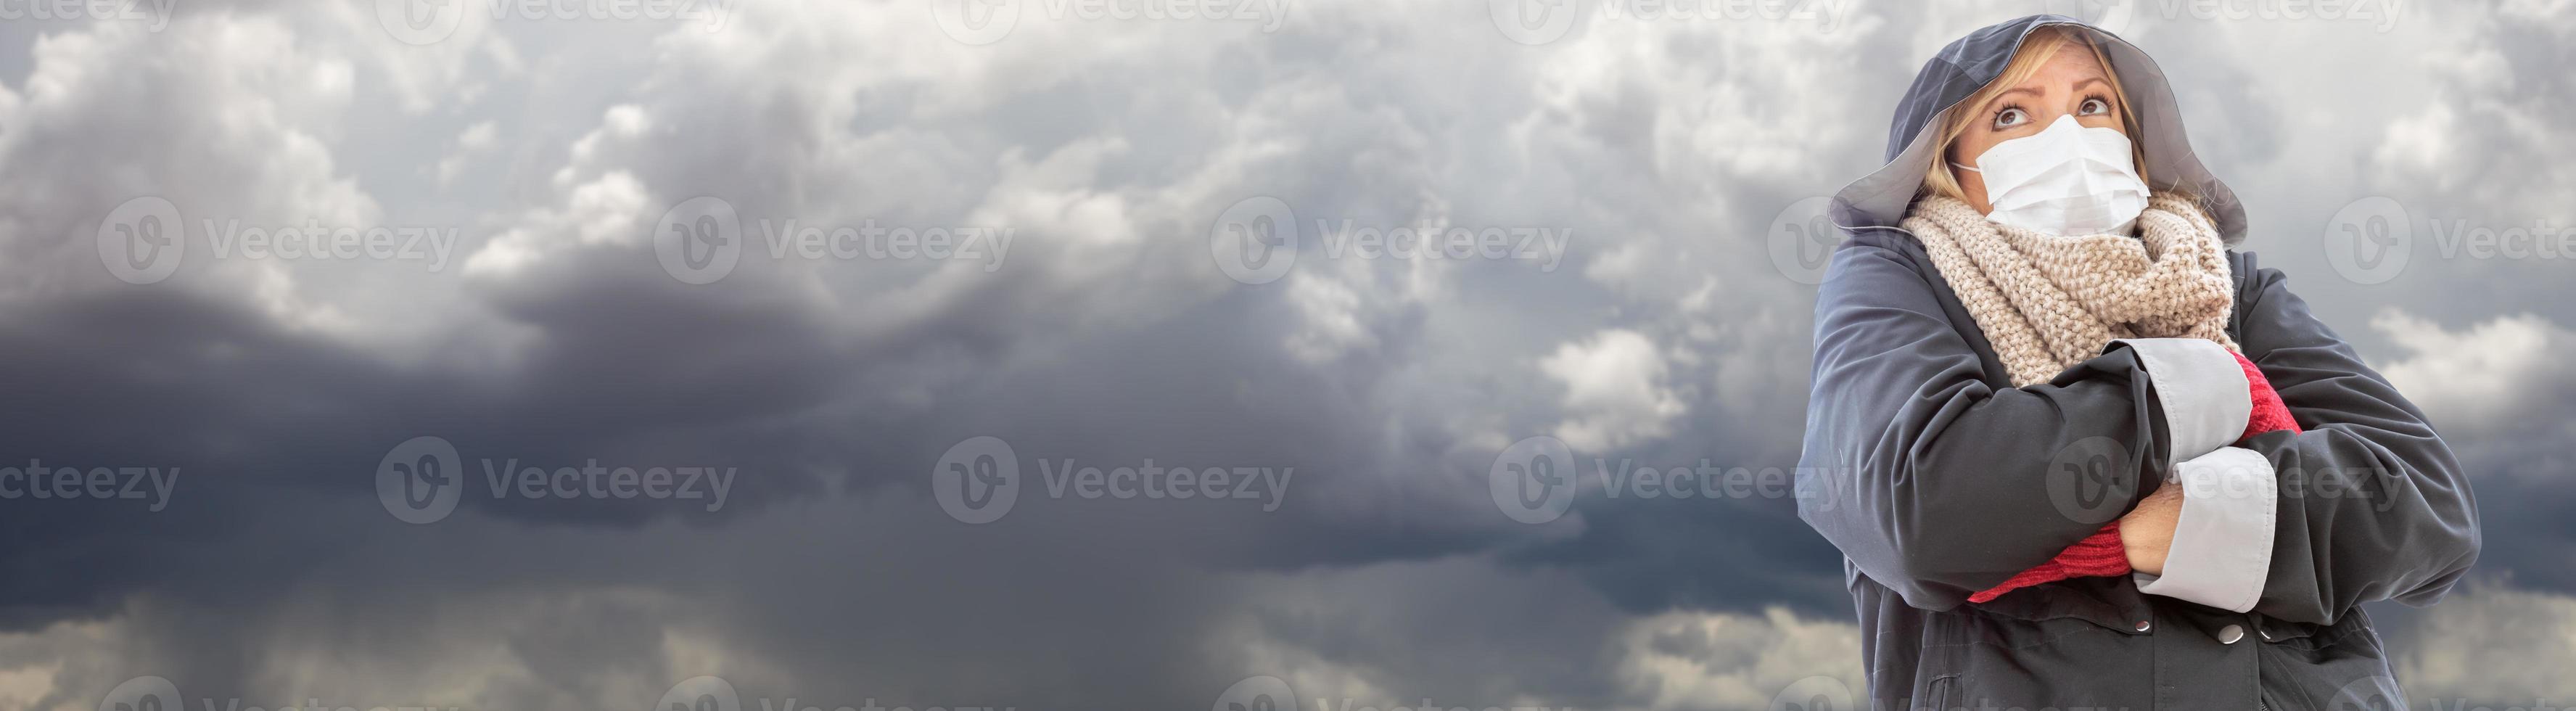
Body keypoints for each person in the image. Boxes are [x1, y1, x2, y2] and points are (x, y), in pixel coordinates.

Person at [1795, 15, 2481, 711]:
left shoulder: (2227, 285)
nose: (2068, 136)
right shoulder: (1896, 276)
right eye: (2010, 115)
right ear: (1946, 166)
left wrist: (2162, 526)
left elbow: (2426, 507)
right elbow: (1921, 512)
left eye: (2093, 105)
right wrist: (2208, 381)